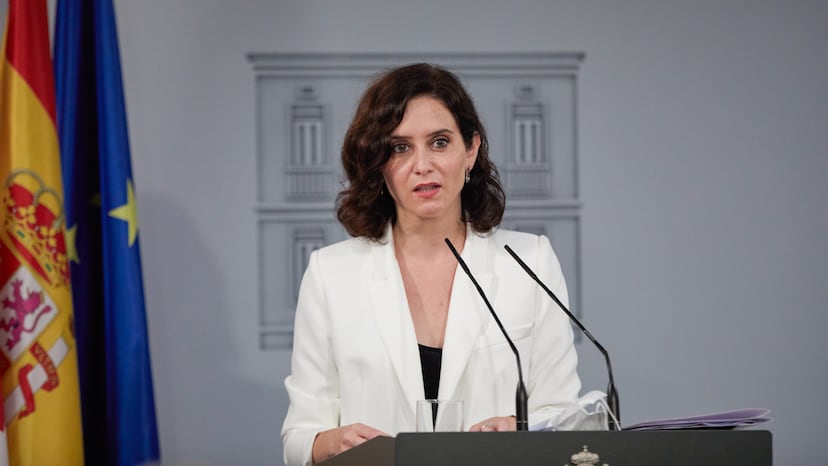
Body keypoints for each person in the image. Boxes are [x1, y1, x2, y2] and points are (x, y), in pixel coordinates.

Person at [281, 63, 581, 466]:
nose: (422, 164)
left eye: (439, 142)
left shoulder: (529, 262)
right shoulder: (331, 274)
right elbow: (300, 438)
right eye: (399, 148)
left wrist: (524, 430)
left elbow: (565, 417)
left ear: (470, 150)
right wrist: (332, 442)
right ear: (376, 163)